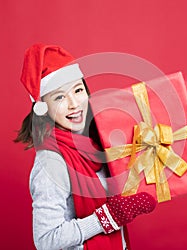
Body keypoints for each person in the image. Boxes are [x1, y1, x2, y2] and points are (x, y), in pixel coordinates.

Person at [15, 44, 157, 250]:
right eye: (60, 97)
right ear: (43, 108)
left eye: (78, 90)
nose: (74, 103)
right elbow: (45, 240)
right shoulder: (51, 162)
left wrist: (182, 146)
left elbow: (133, 171)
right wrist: (107, 217)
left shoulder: (97, 139)